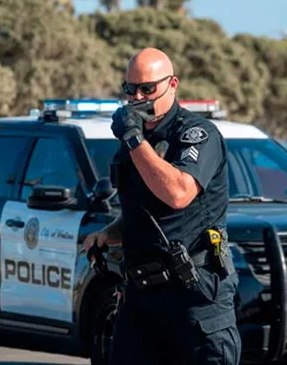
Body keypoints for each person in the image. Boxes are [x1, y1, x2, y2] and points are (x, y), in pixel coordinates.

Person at [83, 47, 240, 365]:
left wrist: (133, 140)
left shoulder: (196, 135)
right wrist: (108, 234)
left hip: (194, 296)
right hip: (140, 301)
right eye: (131, 89)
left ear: (172, 84)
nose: (138, 97)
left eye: (148, 88)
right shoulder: (137, 141)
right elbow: (144, 214)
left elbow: (178, 194)